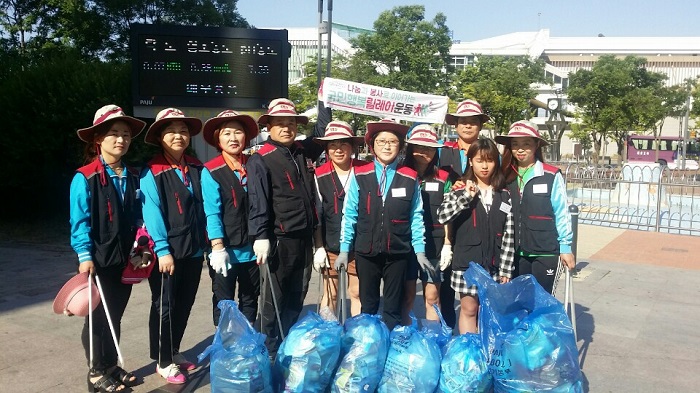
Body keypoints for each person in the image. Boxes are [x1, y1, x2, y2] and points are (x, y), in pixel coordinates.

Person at [70, 104, 146, 392]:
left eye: (126, 134)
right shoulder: (85, 176)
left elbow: (140, 218)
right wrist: (84, 256)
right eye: (114, 133)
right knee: (97, 318)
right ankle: (96, 371)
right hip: (98, 260)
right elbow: (79, 221)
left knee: (115, 314)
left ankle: (112, 364)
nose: (121, 140)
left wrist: (142, 247)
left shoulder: (134, 175)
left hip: (126, 259)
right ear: (98, 139)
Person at [337, 118, 429, 331]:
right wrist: (344, 250)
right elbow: (349, 214)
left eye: (393, 142)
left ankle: (388, 345)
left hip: (397, 252)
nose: (387, 146)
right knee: (368, 304)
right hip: (366, 251)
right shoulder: (360, 174)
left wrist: (420, 252)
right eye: (382, 142)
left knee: (393, 306)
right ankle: (369, 347)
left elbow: (416, 216)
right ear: (373, 146)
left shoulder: (410, 177)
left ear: (400, 146)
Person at [247, 98, 319, 358]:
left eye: (291, 123)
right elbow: (258, 200)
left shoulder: (301, 152)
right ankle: (269, 349)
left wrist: (326, 98)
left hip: (304, 237)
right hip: (279, 239)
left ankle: (287, 338)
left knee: (298, 291)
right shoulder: (261, 158)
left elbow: (321, 130)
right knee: (273, 298)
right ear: (269, 127)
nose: (286, 128)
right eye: (280, 124)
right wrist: (261, 235)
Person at [141, 108, 205, 384]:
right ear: (159, 137)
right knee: (164, 305)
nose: (178, 136)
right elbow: (151, 212)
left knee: (185, 303)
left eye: (183, 130)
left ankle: (174, 350)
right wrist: (162, 249)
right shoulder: (152, 170)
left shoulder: (196, 166)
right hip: (167, 253)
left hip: (194, 248)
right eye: (171, 131)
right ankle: (163, 360)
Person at [437, 138, 516, 334]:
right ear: (471, 161)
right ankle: (469, 352)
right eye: (479, 160)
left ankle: (487, 352)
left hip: (494, 264)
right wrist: (466, 196)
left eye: (489, 160)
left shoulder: (504, 194)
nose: (485, 166)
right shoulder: (459, 189)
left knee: (488, 311)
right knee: (469, 308)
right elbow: (443, 215)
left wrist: (506, 268)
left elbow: (509, 233)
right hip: (468, 263)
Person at [495, 120, 575, 294]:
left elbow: (562, 212)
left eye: (526, 144)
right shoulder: (505, 176)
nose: (520, 149)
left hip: (545, 252)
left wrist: (566, 247)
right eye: (515, 144)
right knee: (519, 302)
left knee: (541, 302)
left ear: (536, 144)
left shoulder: (550, 175)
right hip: (515, 253)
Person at [201, 110, 261, 326]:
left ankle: (246, 347)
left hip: (253, 250)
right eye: (227, 133)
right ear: (218, 138)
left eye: (238, 132)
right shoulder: (211, 170)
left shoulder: (255, 164)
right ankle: (225, 350)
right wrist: (217, 247)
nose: (233, 138)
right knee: (224, 302)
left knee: (251, 298)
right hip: (225, 250)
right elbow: (212, 211)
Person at [438, 99, 491, 329]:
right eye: (463, 122)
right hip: (446, 225)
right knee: (444, 290)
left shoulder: (488, 152)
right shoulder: (443, 151)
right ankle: (448, 336)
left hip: (477, 230)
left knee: (476, 298)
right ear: (456, 125)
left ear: (479, 126)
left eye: (473, 122)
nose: (468, 126)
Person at [401, 124, 453, 323]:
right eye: (419, 146)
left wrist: (448, 243)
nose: (424, 152)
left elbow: (448, 213)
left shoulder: (444, 177)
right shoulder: (400, 174)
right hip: (405, 243)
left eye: (429, 147)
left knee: (432, 297)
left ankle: (432, 343)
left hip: (434, 244)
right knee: (407, 296)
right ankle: (405, 342)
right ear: (410, 148)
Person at [312, 120, 365, 316]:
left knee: (357, 292)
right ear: (327, 149)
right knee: (331, 292)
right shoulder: (319, 175)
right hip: (330, 243)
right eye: (332, 145)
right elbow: (317, 213)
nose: (338, 149)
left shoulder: (365, 170)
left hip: (360, 243)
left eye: (343, 143)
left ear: (352, 147)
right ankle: (329, 337)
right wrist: (318, 247)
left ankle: (357, 337)